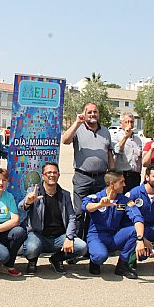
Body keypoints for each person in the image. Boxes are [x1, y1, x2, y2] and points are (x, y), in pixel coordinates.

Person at [19, 162, 87, 274]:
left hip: (59, 237)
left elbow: (71, 217)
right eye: (48, 172)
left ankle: (57, 259)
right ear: (43, 176)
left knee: (82, 247)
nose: (52, 175)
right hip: (38, 235)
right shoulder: (34, 191)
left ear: (59, 175)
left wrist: (69, 237)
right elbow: (21, 208)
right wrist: (27, 202)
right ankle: (32, 260)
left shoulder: (65, 194)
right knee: (31, 248)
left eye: (55, 172)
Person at [62, 102, 114, 238]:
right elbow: (65, 140)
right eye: (89, 112)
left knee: (97, 211)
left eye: (95, 112)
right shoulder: (78, 129)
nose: (92, 114)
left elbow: (109, 154)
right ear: (84, 114)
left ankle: (91, 244)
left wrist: (112, 173)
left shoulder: (105, 131)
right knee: (79, 212)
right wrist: (77, 123)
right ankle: (77, 245)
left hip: (101, 178)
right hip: (82, 177)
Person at [82, 171, 144, 279]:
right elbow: (85, 206)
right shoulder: (96, 197)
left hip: (114, 236)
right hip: (97, 236)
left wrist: (140, 239)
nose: (125, 185)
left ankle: (122, 265)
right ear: (112, 184)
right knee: (100, 256)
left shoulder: (124, 200)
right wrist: (100, 205)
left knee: (134, 230)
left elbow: (137, 217)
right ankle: (94, 262)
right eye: (122, 182)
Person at [111, 112, 143, 192]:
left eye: (131, 122)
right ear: (121, 123)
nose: (130, 124)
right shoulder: (116, 136)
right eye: (127, 122)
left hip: (135, 175)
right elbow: (117, 150)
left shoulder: (138, 139)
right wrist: (126, 137)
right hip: (122, 174)